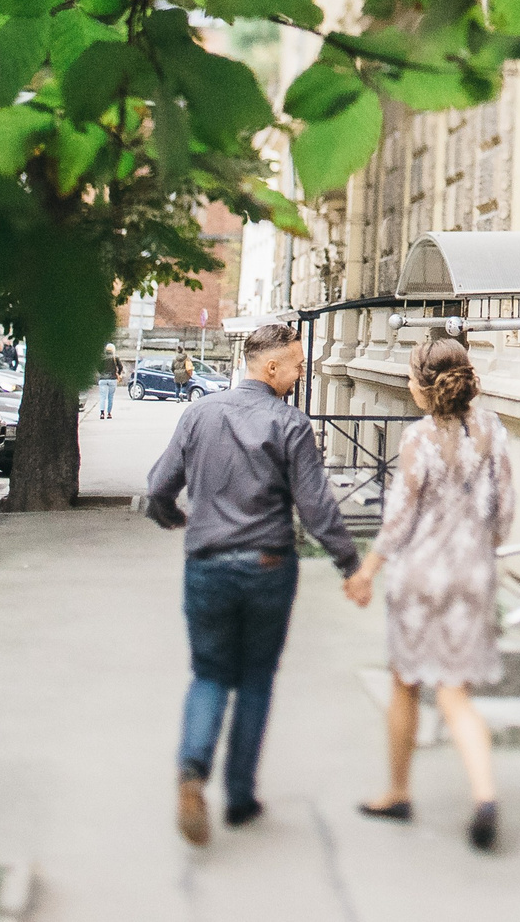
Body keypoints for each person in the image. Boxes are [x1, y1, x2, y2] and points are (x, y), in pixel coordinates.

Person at [145, 322, 360, 844]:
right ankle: (239, 799)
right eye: (297, 365)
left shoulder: (198, 414)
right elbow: (315, 508)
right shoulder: (290, 425)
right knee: (257, 679)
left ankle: (193, 773)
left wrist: (177, 520)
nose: (300, 372)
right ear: (271, 368)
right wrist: (349, 564)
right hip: (267, 566)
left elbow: (158, 486)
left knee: (210, 673)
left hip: (208, 563)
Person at [346, 336, 514, 851]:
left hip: (419, 578)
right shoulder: (495, 434)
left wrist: (366, 571)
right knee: (455, 693)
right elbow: (503, 514)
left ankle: (398, 791)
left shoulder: (418, 440)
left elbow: (399, 519)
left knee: (405, 683)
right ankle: (484, 795)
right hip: (472, 577)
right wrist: (477, 552)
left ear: (421, 387)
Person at [97, 349, 118, 420]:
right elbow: (120, 367)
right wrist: (118, 373)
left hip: (103, 379)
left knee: (103, 397)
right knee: (110, 397)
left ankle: (102, 413)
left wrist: (102, 374)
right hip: (112, 379)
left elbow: (98, 367)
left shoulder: (102, 358)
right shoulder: (115, 358)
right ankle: (109, 413)